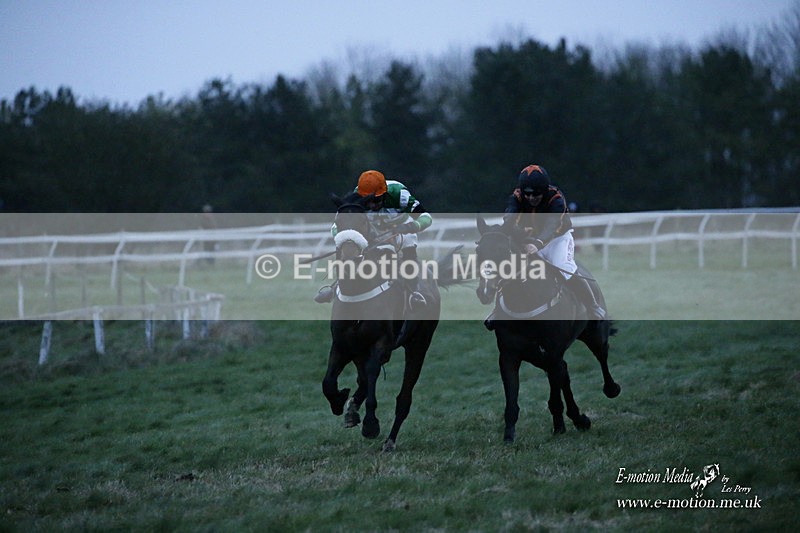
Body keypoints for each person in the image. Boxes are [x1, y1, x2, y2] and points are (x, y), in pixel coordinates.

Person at [314, 170, 433, 310]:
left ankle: (414, 292)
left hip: (401, 229)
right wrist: (347, 239)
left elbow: (426, 217)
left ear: (385, 192)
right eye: (368, 200)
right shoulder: (355, 197)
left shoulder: (399, 193)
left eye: (376, 200)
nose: (372, 205)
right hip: (373, 231)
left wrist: (411, 226)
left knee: (409, 247)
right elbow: (336, 226)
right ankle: (336, 286)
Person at [503, 164, 605, 319]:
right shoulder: (517, 196)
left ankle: (592, 306)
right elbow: (509, 219)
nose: (531, 198)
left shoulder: (556, 198)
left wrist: (536, 244)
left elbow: (552, 226)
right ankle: (501, 310)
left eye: (536, 195)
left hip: (558, 238)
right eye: (527, 195)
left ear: (544, 191)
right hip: (530, 239)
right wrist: (519, 235)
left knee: (562, 266)